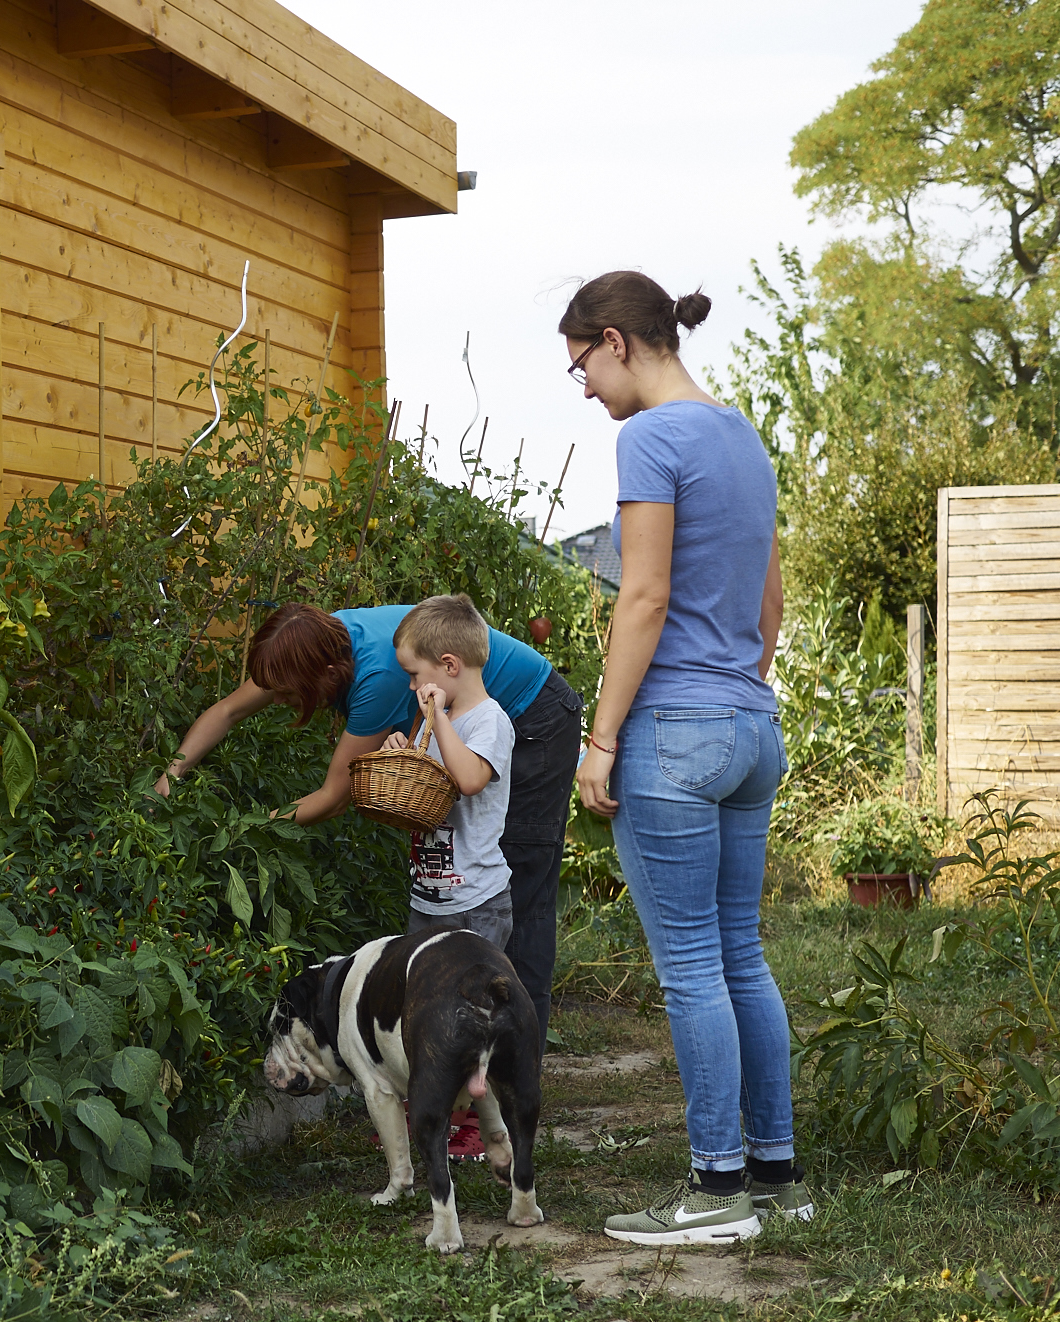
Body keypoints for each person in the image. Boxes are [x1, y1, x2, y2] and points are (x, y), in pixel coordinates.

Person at [562, 270, 813, 1245]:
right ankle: (777, 1177)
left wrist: (605, 736)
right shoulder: (742, 434)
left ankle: (714, 1193)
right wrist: (738, 691)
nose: (583, 386)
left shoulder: (651, 438)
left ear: (618, 341)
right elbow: (769, 604)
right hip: (752, 728)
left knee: (693, 969)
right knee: (741, 953)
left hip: (675, 734)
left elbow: (644, 597)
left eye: (581, 363)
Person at [157, 601, 582, 1054]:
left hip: (535, 716)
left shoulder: (380, 678)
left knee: (521, 892)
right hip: (443, 839)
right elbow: (226, 711)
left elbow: (333, 798)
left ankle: (514, 1072)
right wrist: (167, 780)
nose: (279, 701)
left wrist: (241, 827)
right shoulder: (308, 641)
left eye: (286, 692)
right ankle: (447, 1076)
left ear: (324, 671)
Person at [381, 596, 514, 952]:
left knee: (471, 1003)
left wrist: (437, 718)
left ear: (449, 665)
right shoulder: (436, 721)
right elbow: (424, 787)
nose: (411, 686)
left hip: (476, 904)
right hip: (428, 899)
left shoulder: (490, 719)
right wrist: (402, 755)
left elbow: (469, 780)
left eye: (414, 675)